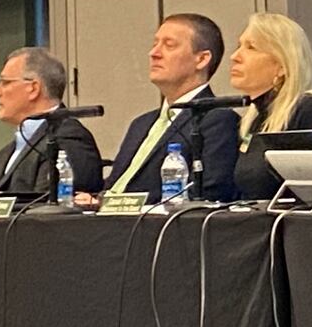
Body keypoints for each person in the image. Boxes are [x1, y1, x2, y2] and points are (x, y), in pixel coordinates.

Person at [103, 14, 240, 203]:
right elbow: (116, 185)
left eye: (169, 45)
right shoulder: (140, 124)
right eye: (155, 43)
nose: (154, 53)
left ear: (201, 59)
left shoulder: (217, 119)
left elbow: (209, 191)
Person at [227, 12, 312, 201]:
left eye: (251, 47)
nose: (235, 56)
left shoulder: (310, 110)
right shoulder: (255, 117)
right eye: (239, 46)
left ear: (282, 66)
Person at [0, 47, 102, 194]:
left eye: (5, 82)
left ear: (33, 88)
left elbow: (50, 208)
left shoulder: (69, 138)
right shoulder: (5, 154)